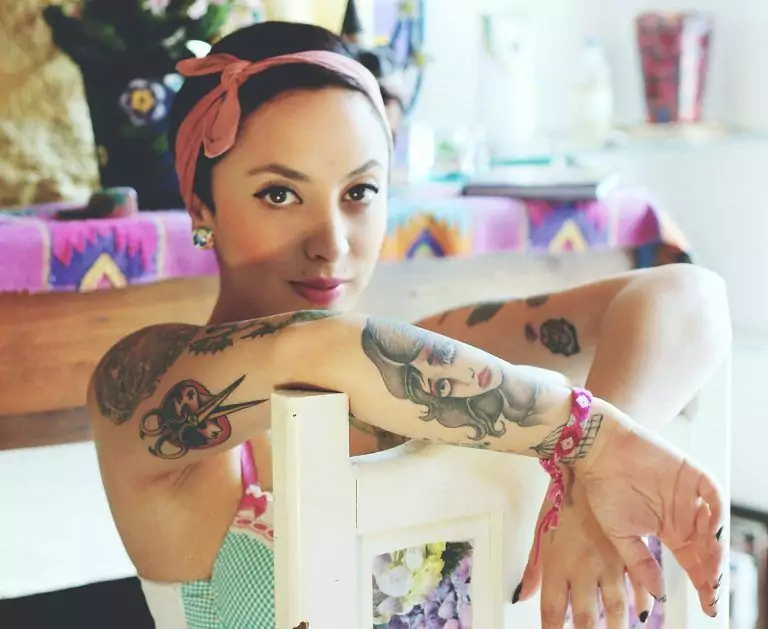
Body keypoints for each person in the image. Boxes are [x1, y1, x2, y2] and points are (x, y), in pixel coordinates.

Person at [87, 21, 731, 629]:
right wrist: (589, 440)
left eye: (360, 192)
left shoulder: (435, 358)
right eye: (280, 193)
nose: (332, 243)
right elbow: (315, 346)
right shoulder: (141, 387)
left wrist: (590, 486)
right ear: (201, 202)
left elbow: (689, 295)